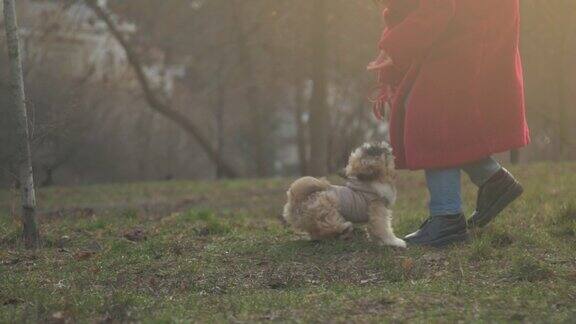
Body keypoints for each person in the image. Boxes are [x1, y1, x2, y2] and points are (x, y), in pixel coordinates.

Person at [368, 0, 530, 247]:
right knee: (439, 114)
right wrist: (394, 39)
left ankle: (447, 217)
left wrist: (396, 44)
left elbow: (438, 8)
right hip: (469, 26)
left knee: (432, 113)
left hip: (472, 28)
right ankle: (493, 180)